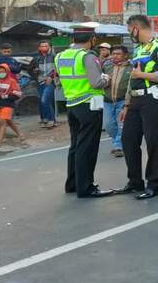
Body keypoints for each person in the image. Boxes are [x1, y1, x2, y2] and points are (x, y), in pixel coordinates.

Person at [116, 15, 158, 200]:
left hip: (155, 99)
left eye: (129, 31)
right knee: (128, 140)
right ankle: (135, 182)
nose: (130, 35)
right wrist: (126, 104)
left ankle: (154, 185)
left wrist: (143, 74)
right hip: (135, 101)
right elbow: (132, 79)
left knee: (153, 142)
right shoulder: (139, 49)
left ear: (136, 28)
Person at [55, 24, 113, 198]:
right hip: (89, 104)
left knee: (75, 146)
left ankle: (72, 184)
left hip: (71, 104)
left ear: (73, 39)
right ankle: (86, 187)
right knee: (87, 147)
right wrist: (107, 78)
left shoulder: (60, 56)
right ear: (92, 40)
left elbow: (59, 80)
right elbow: (96, 82)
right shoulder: (87, 57)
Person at [102, 45, 130, 158]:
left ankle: (119, 146)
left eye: (118, 54)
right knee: (108, 125)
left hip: (122, 100)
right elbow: (100, 79)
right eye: (114, 54)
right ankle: (118, 141)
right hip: (107, 100)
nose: (115, 56)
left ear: (125, 55)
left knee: (121, 124)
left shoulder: (131, 67)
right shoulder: (106, 66)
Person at [30, 40, 57, 129]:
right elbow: (30, 69)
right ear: (39, 48)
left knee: (45, 99)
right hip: (40, 81)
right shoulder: (36, 58)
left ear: (49, 47)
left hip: (50, 82)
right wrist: (35, 74)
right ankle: (44, 119)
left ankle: (51, 119)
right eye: (42, 46)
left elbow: (58, 69)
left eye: (46, 46)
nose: (44, 47)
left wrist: (51, 77)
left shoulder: (54, 57)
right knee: (42, 101)